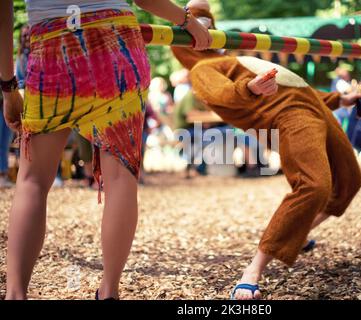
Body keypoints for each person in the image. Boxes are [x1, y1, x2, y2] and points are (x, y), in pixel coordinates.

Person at [0, 0, 211, 300]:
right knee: (120, 178)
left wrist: (8, 86)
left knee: (32, 180)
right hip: (117, 44)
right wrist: (186, 20)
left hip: (50, 44)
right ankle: (109, 292)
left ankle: (15, 295)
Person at [172, 0, 361, 300]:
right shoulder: (202, 68)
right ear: (186, 41)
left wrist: (339, 100)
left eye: (209, 24)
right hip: (291, 116)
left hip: (314, 109)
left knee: (350, 181)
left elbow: (294, 84)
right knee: (314, 186)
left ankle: (298, 233)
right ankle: (252, 272)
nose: (206, 29)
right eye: (198, 26)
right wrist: (249, 89)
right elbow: (222, 93)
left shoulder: (235, 57)